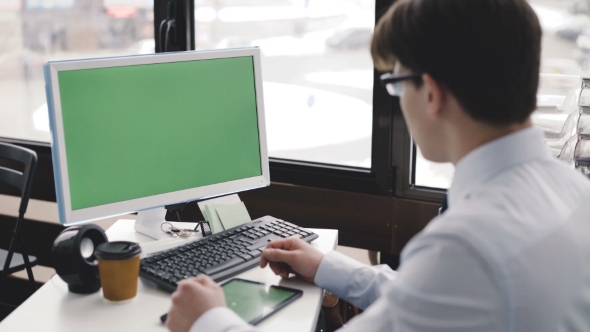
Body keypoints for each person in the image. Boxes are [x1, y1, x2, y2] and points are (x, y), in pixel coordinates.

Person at [166, 0, 590, 331]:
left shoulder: (467, 246)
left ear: (431, 94)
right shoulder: (571, 192)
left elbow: (450, 281)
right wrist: (329, 266)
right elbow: (434, 298)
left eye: (396, 82)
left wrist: (207, 320)